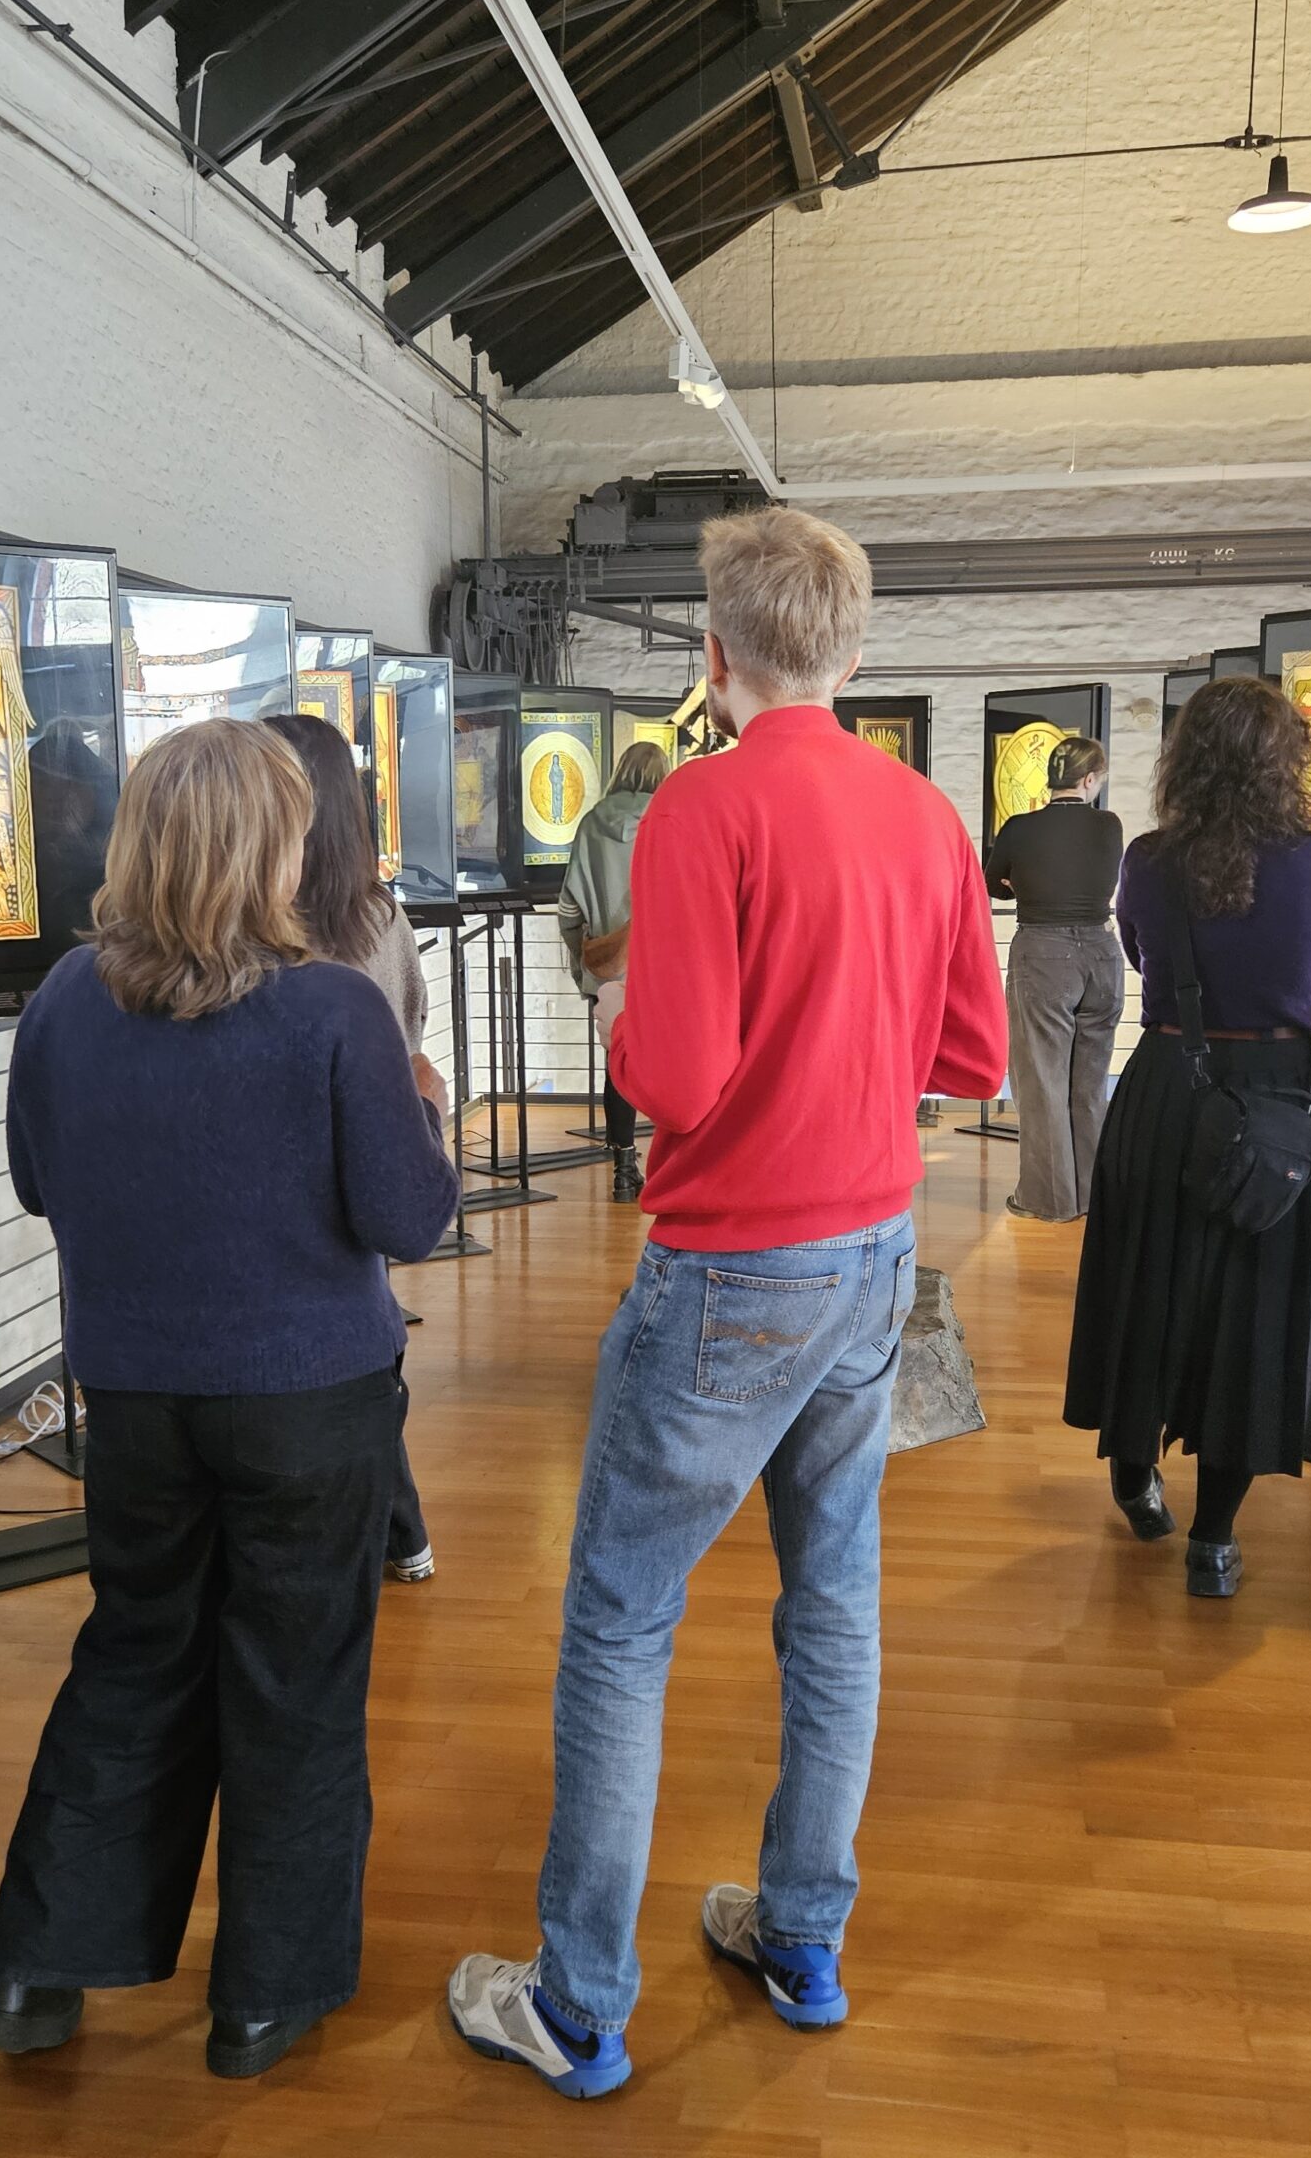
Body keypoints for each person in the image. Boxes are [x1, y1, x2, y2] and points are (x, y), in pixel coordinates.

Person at [446, 507, 1006, 2098]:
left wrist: (627, 1025)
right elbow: (971, 1056)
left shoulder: (701, 806)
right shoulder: (925, 814)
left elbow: (676, 1082)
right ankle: (801, 1936)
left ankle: (576, 2005)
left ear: (713, 654)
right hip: (873, 1255)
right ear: (854, 651)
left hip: (731, 1267)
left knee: (622, 1617)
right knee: (833, 1602)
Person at [0, 719, 458, 2079]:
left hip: (130, 1393)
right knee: (294, 1677)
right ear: (273, 847)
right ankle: (263, 1998)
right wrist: (429, 1112)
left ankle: (33, 1969)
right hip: (309, 1395)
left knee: (133, 1655)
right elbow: (407, 1219)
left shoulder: (66, 998)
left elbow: (38, 1182)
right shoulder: (333, 1009)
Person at [1063, 677, 1311, 1597]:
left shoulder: (1149, 858)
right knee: (1257, 1314)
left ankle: (1135, 1482)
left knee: (1145, 1287)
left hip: (1169, 1086)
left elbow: (1142, 954)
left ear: (1185, 759)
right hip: (1279, 1098)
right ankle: (1215, 1543)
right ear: (1286, 762)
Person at [270, 710, 444, 1586]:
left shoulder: (247, 924)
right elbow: (409, 1035)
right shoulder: (377, 918)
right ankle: (400, 1529)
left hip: (272, 1179)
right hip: (360, 1168)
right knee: (362, 1346)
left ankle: (397, 1529)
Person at [983, 735, 1125, 1222]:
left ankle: (1048, 1200)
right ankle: (1091, 1196)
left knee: (1042, 1079)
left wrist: (1020, 881)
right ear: (1089, 779)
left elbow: (992, 883)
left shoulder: (1020, 827)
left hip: (1043, 954)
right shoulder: (1109, 825)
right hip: (1102, 954)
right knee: (1089, 1083)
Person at [557, 739, 669, 1203]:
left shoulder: (590, 823)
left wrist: (584, 959)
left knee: (618, 1062)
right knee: (672, 1061)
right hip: (663, 965)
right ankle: (672, 1166)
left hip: (607, 968)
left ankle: (624, 1168)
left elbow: (568, 906)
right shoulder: (668, 819)